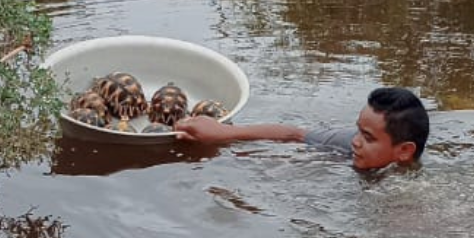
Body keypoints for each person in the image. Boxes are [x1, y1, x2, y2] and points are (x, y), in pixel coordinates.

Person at [174, 86, 429, 171]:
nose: (356, 141)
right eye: (358, 131)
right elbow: (294, 134)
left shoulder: (410, 193)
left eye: (368, 138)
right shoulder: (348, 142)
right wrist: (226, 133)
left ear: (404, 151)